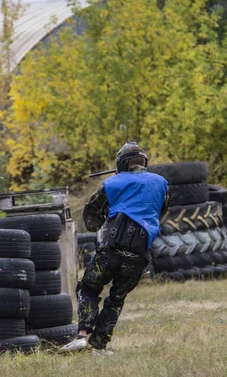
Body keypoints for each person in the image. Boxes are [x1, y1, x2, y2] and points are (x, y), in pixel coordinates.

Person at [60, 141, 168, 355]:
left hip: (111, 251)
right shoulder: (161, 183)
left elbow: (91, 220)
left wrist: (110, 210)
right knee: (116, 299)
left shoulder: (111, 183)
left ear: (120, 163)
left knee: (88, 288)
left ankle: (82, 336)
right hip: (140, 255)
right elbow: (162, 212)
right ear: (144, 162)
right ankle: (99, 346)